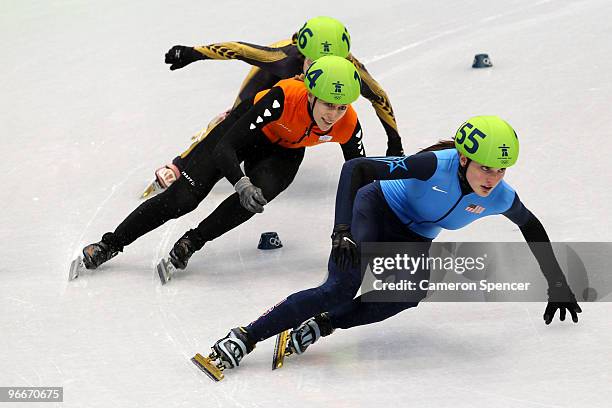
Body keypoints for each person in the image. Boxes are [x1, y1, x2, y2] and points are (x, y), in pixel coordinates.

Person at [200, 116, 582, 373]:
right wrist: (342, 230)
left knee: (407, 293)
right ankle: (245, 337)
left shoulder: (498, 195)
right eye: (485, 167)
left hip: (413, 236)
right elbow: (357, 169)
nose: (492, 178)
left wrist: (558, 283)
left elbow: (531, 226)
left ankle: (324, 324)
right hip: (376, 207)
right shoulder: (432, 165)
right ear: (464, 158)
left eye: (500, 170)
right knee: (341, 286)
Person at [80, 56, 365, 274]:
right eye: (328, 104)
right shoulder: (283, 97)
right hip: (242, 134)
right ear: (311, 94)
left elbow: (359, 179)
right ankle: (111, 244)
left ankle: (193, 241)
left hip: (284, 151)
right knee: (183, 199)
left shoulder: (348, 123)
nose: (334, 115)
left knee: (257, 197)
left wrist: (345, 229)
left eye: (342, 107)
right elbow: (225, 148)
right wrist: (240, 182)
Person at [149, 16, 403, 196]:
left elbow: (378, 97)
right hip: (269, 83)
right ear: (301, 54)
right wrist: (193, 52)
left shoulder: (347, 71)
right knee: (232, 120)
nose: (322, 72)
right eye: (314, 64)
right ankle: (180, 164)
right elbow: (239, 50)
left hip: (297, 107)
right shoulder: (283, 58)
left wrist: (395, 142)